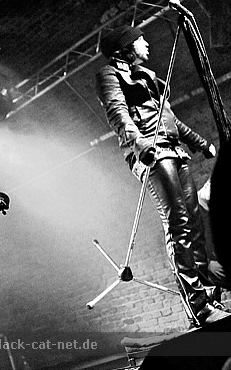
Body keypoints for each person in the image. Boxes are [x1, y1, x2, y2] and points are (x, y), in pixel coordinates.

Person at [95, 25, 229, 327]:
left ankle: (207, 297)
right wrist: (139, 144)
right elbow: (118, 113)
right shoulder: (109, 75)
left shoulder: (148, 76)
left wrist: (200, 142)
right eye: (139, 39)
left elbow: (169, 118)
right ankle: (198, 308)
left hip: (175, 151)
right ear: (125, 48)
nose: (146, 43)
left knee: (194, 225)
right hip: (152, 152)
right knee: (178, 225)